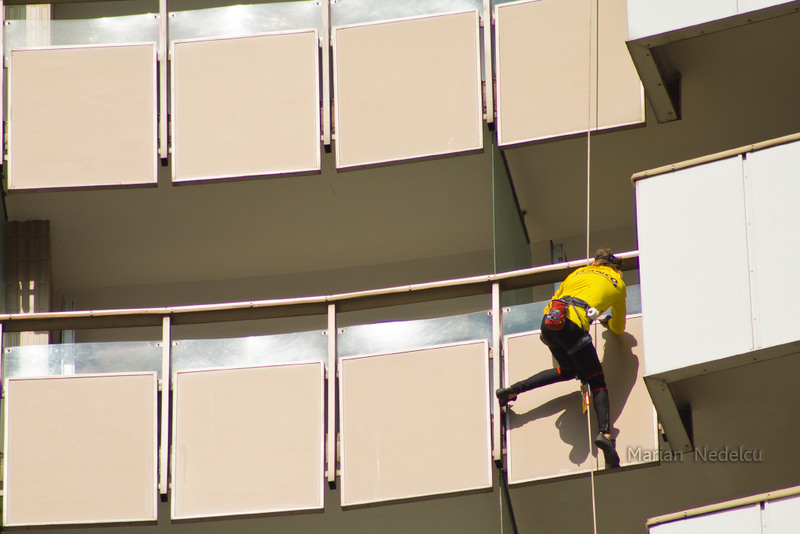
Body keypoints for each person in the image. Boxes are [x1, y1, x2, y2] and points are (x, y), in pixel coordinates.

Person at [496, 249, 627, 468]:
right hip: (574, 328)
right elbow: (619, 327)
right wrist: (607, 321)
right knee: (596, 382)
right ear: (615, 268)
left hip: (550, 324)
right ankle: (605, 434)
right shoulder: (618, 284)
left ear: (595, 262)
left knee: (567, 370)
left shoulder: (577, 273)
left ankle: (512, 390)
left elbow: (553, 300)